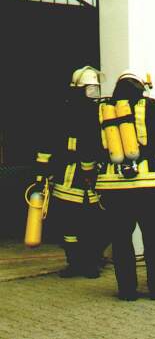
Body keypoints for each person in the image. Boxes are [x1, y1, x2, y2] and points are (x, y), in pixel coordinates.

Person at [95, 70, 155, 301]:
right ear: (140, 87)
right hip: (146, 185)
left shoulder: (104, 110)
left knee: (121, 240)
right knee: (153, 239)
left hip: (113, 187)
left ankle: (127, 290)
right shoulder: (151, 107)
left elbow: (93, 148)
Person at [33, 66, 104, 278]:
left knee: (93, 223)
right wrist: (41, 176)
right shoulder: (63, 112)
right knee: (69, 224)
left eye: (94, 89)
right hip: (68, 176)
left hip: (92, 177)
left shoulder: (100, 112)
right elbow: (47, 144)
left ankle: (90, 262)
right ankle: (75, 263)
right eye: (89, 89)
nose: (92, 94)